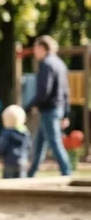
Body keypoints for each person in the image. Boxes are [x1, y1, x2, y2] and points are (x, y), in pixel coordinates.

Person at [25, 35, 72, 177]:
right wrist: (66, 113)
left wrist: (29, 106)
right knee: (39, 142)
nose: (34, 52)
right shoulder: (60, 63)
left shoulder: (46, 64)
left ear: (42, 47)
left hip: (49, 110)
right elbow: (65, 91)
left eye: (35, 48)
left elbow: (44, 91)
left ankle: (67, 172)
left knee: (54, 142)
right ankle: (30, 174)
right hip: (57, 108)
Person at [0, 105, 31, 179]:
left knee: (8, 183)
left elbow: (2, 145)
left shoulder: (6, 133)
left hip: (9, 162)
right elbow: (28, 146)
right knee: (21, 183)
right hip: (22, 161)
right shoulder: (25, 132)